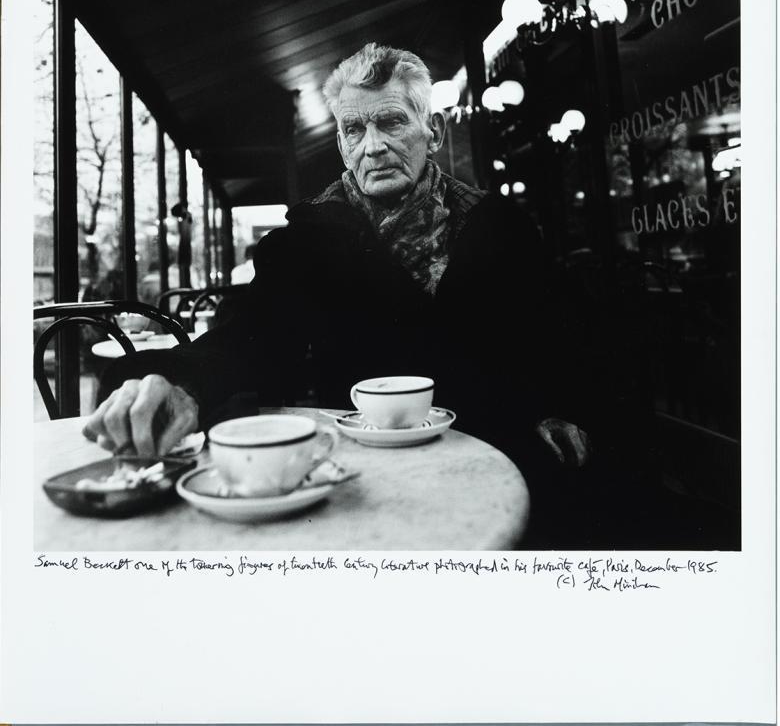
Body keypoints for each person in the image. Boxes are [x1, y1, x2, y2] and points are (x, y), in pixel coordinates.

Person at [88, 44, 591, 489]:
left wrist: (559, 407)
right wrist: (183, 382)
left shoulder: (499, 226)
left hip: (487, 456)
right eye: (355, 128)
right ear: (342, 146)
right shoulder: (307, 239)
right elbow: (252, 334)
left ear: (432, 131)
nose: (373, 145)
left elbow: (551, 336)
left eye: (392, 121)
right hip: (359, 468)